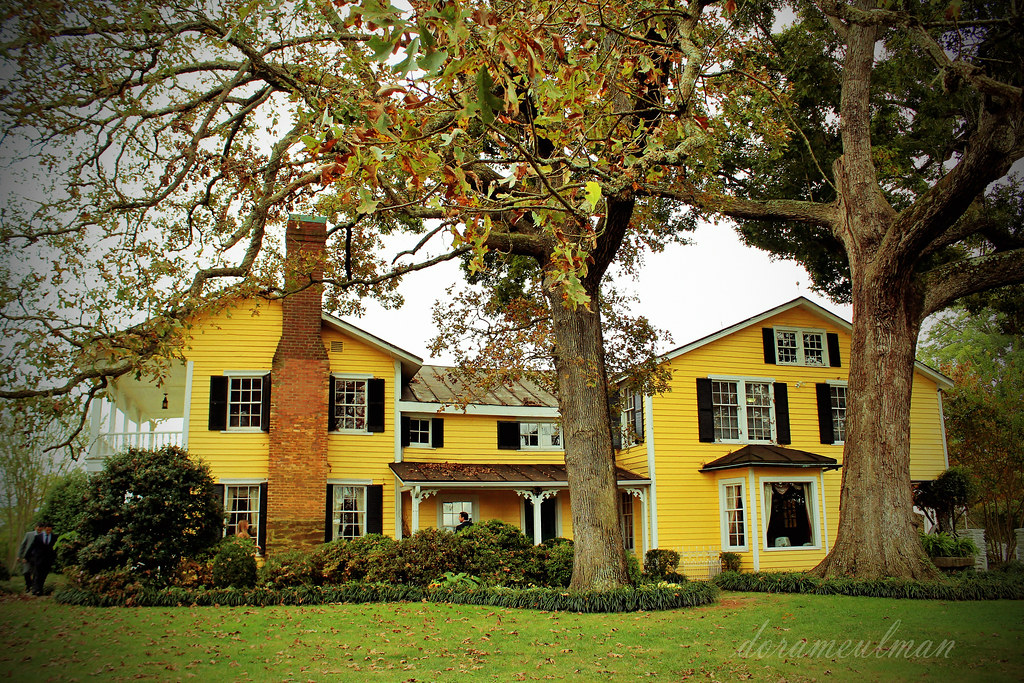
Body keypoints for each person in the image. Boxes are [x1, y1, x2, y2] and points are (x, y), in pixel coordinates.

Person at [26, 522, 57, 596]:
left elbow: (55, 548)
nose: (48, 531)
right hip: (39, 559)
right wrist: (26, 556)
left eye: (50, 530)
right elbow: (32, 546)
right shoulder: (38, 537)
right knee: (37, 575)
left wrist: (54, 558)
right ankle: (36, 589)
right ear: (44, 529)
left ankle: (40, 589)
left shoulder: (54, 537)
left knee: (43, 575)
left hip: (48, 560)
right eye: (47, 530)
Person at [16, 524, 42, 593]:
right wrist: (19, 555)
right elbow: (23, 545)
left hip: (37, 557)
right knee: (26, 572)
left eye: (41, 529)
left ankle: (33, 587)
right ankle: (28, 584)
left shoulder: (43, 536)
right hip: (27, 557)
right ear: (35, 527)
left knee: (35, 573)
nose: (39, 530)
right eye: (38, 528)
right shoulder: (29, 534)